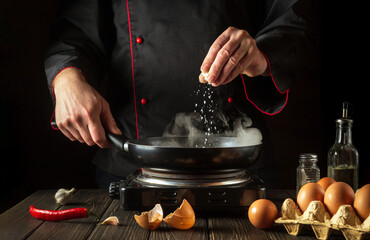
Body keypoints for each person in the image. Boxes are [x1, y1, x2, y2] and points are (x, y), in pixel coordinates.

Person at [45, 0, 319, 188]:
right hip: (131, 164)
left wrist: (259, 54)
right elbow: (75, 31)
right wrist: (66, 77)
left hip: (238, 164)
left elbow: (293, 20)